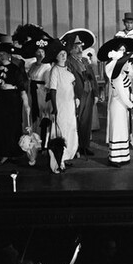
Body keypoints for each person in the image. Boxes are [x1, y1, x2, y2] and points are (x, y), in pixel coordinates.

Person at [0, 35, 29, 165]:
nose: (1, 56)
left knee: (14, 125)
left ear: (9, 53)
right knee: (2, 126)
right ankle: (4, 153)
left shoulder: (16, 66)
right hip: (1, 98)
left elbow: (22, 85)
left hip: (14, 99)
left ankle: (14, 152)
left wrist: (25, 102)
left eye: (4, 53)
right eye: (0, 53)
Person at [61, 29, 100, 157]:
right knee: (77, 121)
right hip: (77, 95)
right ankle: (76, 147)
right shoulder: (68, 62)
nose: (79, 50)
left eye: (80, 47)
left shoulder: (84, 60)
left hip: (88, 93)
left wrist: (95, 93)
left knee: (86, 121)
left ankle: (85, 146)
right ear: (70, 49)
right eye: (75, 47)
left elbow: (93, 78)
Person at [45, 43, 80, 172]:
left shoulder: (69, 68)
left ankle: (65, 157)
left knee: (70, 130)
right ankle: (57, 163)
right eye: (61, 54)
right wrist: (55, 107)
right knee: (61, 132)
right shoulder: (55, 70)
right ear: (56, 57)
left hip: (70, 104)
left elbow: (73, 85)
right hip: (60, 104)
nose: (64, 56)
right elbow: (53, 90)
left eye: (65, 53)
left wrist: (76, 97)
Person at [105, 48, 133, 167]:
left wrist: (131, 100)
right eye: (126, 63)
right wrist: (131, 105)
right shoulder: (116, 77)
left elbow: (127, 91)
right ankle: (115, 158)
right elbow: (122, 95)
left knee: (123, 130)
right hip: (118, 106)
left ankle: (123, 155)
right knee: (117, 131)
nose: (128, 64)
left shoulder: (123, 75)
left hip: (122, 106)